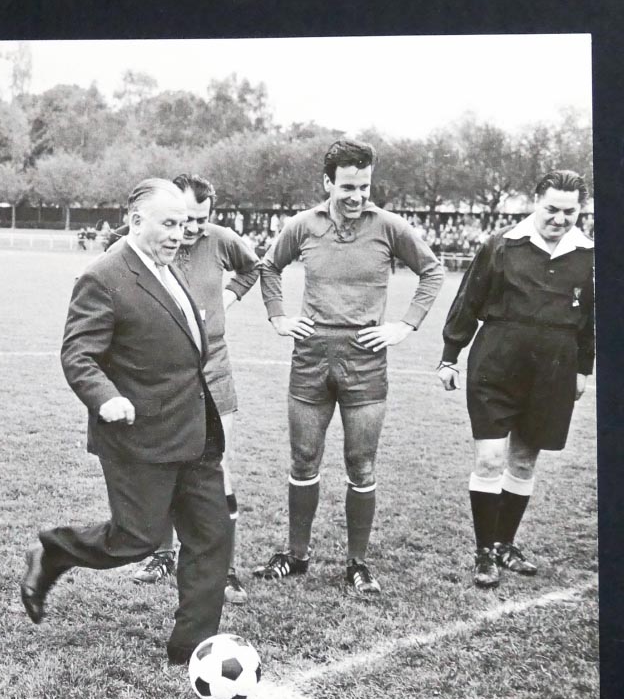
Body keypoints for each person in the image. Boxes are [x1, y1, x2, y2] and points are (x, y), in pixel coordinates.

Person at [20, 178, 231, 665]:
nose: (180, 234)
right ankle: (54, 552)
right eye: (169, 224)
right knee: (135, 540)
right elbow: (78, 354)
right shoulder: (104, 276)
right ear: (136, 221)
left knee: (213, 535)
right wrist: (106, 397)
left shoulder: (167, 266)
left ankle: (191, 647)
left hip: (195, 431)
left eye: (184, 224)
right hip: (140, 436)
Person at [255, 139, 444, 596]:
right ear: (328, 183)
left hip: (365, 360)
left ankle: (357, 563)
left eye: (364, 186)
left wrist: (404, 325)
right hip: (311, 357)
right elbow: (268, 267)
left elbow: (433, 271)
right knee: (304, 458)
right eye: (347, 187)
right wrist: (279, 317)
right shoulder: (302, 225)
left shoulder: (390, 226)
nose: (357, 196)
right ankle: (296, 555)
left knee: (361, 464)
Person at [437, 170, 594, 589]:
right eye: (552, 209)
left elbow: (590, 319)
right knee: (490, 459)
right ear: (535, 202)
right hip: (497, 363)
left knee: (524, 460)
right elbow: (468, 300)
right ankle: (484, 553)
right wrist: (450, 356)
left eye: (570, 212)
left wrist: (583, 369)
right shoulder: (501, 245)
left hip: (554, 369)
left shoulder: (588, 254)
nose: (560, 219)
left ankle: (505, 544)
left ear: (580, 210)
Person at [130, 174, 260, 606]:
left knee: (216, 469)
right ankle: (162, 555)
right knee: (162, 464)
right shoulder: (148, 241)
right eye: (185, 219)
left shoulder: (221, 240)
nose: (193, 228)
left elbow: (253, 267)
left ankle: (224, 568)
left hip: (213, 370)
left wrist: (229, 297)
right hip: (163, 374)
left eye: (201, 219)